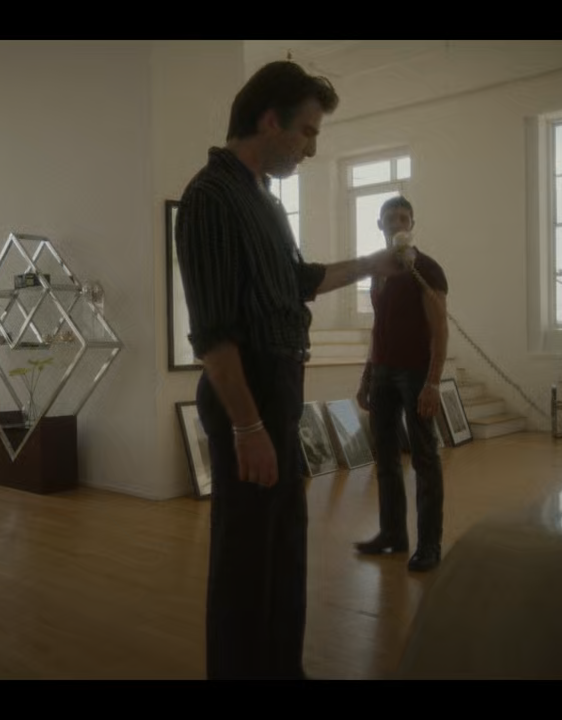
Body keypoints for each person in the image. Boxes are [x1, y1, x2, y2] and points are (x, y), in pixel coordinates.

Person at [175, 60, 399, 680]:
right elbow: (214, 334)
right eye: (307, 131)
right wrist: (248, 427)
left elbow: (298, 281)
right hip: (246, 393)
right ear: (270, 121)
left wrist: (373, 263)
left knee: (283, 546)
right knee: (246, 556)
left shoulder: (263, 202)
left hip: (277, 390)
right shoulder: (210, 197)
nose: (311, 147)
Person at [354, 196, 449, 573]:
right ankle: (392, 533)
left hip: (415, 373)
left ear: (412, 225)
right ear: (380, 225)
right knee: (386, 458)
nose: (397, 222)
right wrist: (367, 374)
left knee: (424, 458)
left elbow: (440, 330)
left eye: (403, 217)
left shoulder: (427, 268)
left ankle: (429, 545)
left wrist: (433, 382)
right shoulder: (378, 270)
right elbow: (379, 326)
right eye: (390, 217)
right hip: (382, 372)